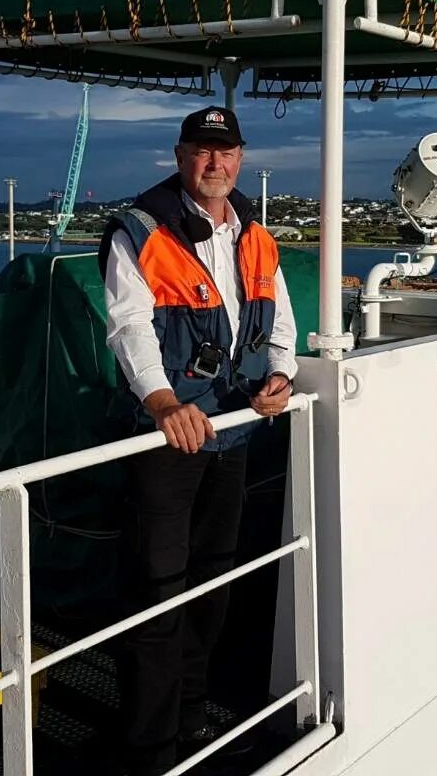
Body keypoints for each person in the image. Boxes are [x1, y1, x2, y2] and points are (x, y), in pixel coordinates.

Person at [100, 105, 298, 775]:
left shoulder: (257, 237)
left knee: (212, 583)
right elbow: (129, 327)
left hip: (232, 432)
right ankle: (150, 749)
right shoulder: (140, 232)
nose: (216, 163)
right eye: (203, 151)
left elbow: (280, 328)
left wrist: (280, 378)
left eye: (226, 151)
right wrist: (162, 402)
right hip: (168, 442)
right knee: (158, 591)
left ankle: (189, 718)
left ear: (240, 158)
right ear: (181, 155)